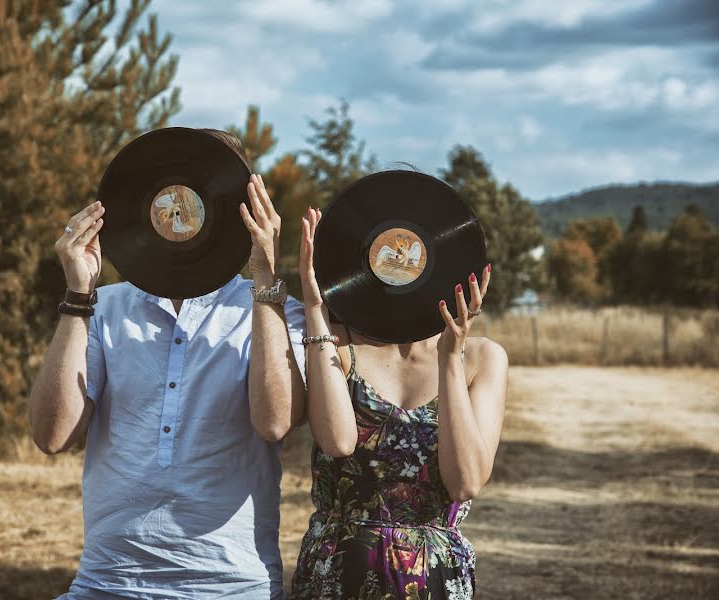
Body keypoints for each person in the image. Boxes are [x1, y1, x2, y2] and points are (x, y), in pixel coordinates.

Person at [28, 131, 306, 599]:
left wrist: (265, 277)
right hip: (106, 582)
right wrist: (78, 296)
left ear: (248, 205)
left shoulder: (276, 310)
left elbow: (275, 422)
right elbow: (51, 436)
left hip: (233, 586)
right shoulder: (103, 308)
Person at [290, 208, 508, 599]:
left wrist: (448, 360)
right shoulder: (336, 346)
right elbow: (337, 441)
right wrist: (314, 308)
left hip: (433, 579)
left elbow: (465, 482)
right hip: (336, 574)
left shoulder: (482, 358)